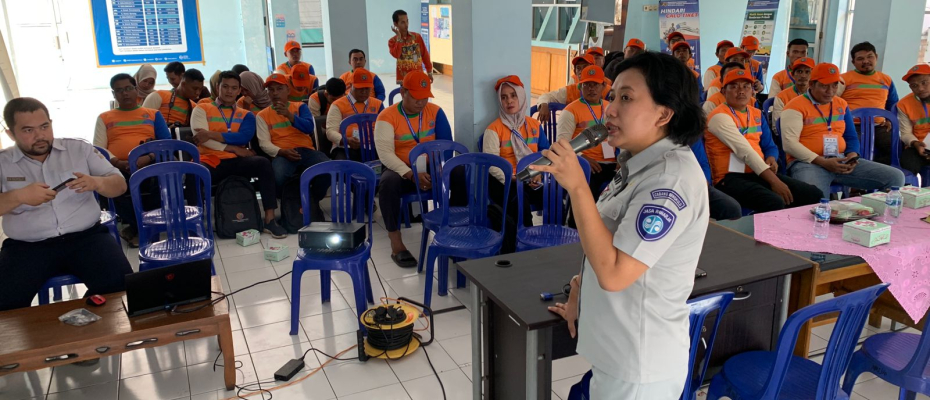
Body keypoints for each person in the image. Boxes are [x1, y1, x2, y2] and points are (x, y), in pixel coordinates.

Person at [539, 52, 710, 400]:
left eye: (627, 98)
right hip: (617, 351)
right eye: (612, 95)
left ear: (664, 113)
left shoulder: (668, 182)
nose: (610, 109)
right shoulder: (639, 163)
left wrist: (577, 186)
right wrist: (577, 287)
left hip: (640, 368)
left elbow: (616, 273)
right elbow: (611, 242)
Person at [0, 97, 132, 311]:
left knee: (121, 285)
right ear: (10, 134)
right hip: (27, 246)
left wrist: (96, 182)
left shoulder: (78, 149)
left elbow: (120, 185)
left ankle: (86, 327)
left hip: (86, 238)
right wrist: (19, 196)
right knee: (4, 302)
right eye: (28, 130)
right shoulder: (3, 162)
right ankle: (47, 337)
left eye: (44, 127)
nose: (40, 136)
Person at [705, 69, 823, 212]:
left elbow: (769, 145)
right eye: (734, 86)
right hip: (729, 177)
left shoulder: (756, 113)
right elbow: (746, 152)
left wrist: (771, 158)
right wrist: (774, 181)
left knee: (812, 193)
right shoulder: (719, 117)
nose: (741, 91)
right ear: (723, 91)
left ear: (752, 91)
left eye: (746, 86)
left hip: (757, 172)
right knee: (774, 201)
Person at [782, 63, 905, 197]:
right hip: (808, 163)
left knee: (896, 178)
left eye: (835, 85)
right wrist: (822, 162)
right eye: (824, 86)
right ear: (811, 84)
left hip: (840, 160)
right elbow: (790, 145)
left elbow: (850, 135)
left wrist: (852, 155)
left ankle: (873, 213)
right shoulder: (794, 106)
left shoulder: (841, 104)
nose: (830, 91)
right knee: (814, 198)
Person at [190, 71, 288, 238]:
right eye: (225, 87)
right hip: (209, 161)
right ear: (217, 87)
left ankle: (270, 220)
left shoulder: (246, 114)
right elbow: (201, 139)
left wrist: (212, 134)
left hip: (236, 161)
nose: (229, 91)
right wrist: (233, 148)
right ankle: (194, 226)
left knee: (263, 163)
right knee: (194, 173)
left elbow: (243, 137)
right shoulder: (201, 108)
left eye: (234, 88)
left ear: (239, 91)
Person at [374, 71, 454, 268]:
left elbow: (447, 145)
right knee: (388, 183)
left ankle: (455, 229)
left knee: (460, 173)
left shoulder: (435, 112)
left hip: (430, 166)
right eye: (416, 97)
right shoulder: (387, 116)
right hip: (401, 167)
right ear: (403, 92)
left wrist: (439, 169)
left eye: (425, 97)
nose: (421, 102)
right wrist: (410, 174)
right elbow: (385, 154)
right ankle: (396, 243)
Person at [94, 73, 172, 247]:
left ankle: (137, 227)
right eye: (119, 90)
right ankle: (143, 226)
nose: (125, 93)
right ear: (114, 94)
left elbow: (166, 144)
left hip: (149, 163)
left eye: (128, 88)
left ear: (136, 90)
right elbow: (98, 149)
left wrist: (149, 157)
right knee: (105, 184)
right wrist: (117, 162)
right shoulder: (105, 117)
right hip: (117, 165)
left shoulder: (153, 114)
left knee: (162, 177)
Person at [483, 75, 550, 229]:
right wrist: (514, 178)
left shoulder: (534, 125)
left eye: (513, 96)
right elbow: (492, 165)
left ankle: (554, 240)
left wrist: (539, 173)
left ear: (521, 96)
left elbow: (546, 153)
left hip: (531, 177)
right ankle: (525, 240)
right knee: (520, 201)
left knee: (555, 197)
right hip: (504, 180)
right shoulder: (493, 130)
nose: (509, 101)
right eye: (504, 97)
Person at [255, 73, 331, 200]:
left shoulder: (300, 106)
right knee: (278, 176)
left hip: (306, 150)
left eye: (279, 89)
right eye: (271, 90)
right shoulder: (262, 115)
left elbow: (308, 127)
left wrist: (289, 116)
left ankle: (312, 200)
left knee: (327, 169)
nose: (275, 93)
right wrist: (281, 152)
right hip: (282, 153)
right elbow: (264, 143)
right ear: (267, 94)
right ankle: (289, 203)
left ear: (288, 90)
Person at [557, 66, 616, 198]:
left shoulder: (611, 108)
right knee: (586, 191)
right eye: (587, 85)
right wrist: (582, 157)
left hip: (612, 163)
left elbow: (623, 135)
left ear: (604, 86)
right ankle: (575, 218)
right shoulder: (570, 111)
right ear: (579, 86)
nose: (591, 88)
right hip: (585, 164)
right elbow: (562, 143)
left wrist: (622, 159)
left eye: (595, 84)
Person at [838, 41, 900, 166]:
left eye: (869, 57)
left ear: (876, 57)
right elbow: (833, 102)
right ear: (853, 62)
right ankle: (858, 181)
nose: (866, 61)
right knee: (854, 150)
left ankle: (882, 177)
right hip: (852, 126)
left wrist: (889, 121)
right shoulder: (843, 79)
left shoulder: (886, 80)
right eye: (860, 58)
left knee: (896, 147)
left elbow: (893, 104)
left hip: (879, 126)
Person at [326, 68, 385, 160]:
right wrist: (345, 140)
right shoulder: (337, 105)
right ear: (350, 86)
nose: (364, 92)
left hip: (372, 147)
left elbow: (385, 129)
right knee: (345, 165)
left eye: (367, 88)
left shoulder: (378, 104)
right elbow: (330, 132)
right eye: (360, 88)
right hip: (344, 147)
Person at [537, 55, 611, 124]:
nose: (581, 71)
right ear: (575, 71)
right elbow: (547, 96)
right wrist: (543, 104)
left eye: (585, 67)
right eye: (578, 68)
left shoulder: (607, 90)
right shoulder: (570, 90)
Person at [896, 64, 930, 175]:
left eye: (924, 83)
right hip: (919, 146)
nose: (920, 88)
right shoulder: (904, 104)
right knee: (907, 162)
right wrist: (915, 143)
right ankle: (909, 190)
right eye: (914, 85)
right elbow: (905, 133)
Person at [388, 9, 432, 84]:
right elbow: (396, 54)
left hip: (418, 77)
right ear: (395, 24)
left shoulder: (417, 37)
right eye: (402, 22)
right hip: (404, 80)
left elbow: (425, 54)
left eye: (407, 21)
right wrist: (399, 38)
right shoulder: (392, 41)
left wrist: (429, 71)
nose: (406, 24)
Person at [773, 57, 815, 121]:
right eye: (799, 71)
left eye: (807, 72)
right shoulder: (781, 97)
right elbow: (777, 126)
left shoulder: (819, 96)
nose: (803, 75)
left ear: (813, 75)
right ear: (793, 75)